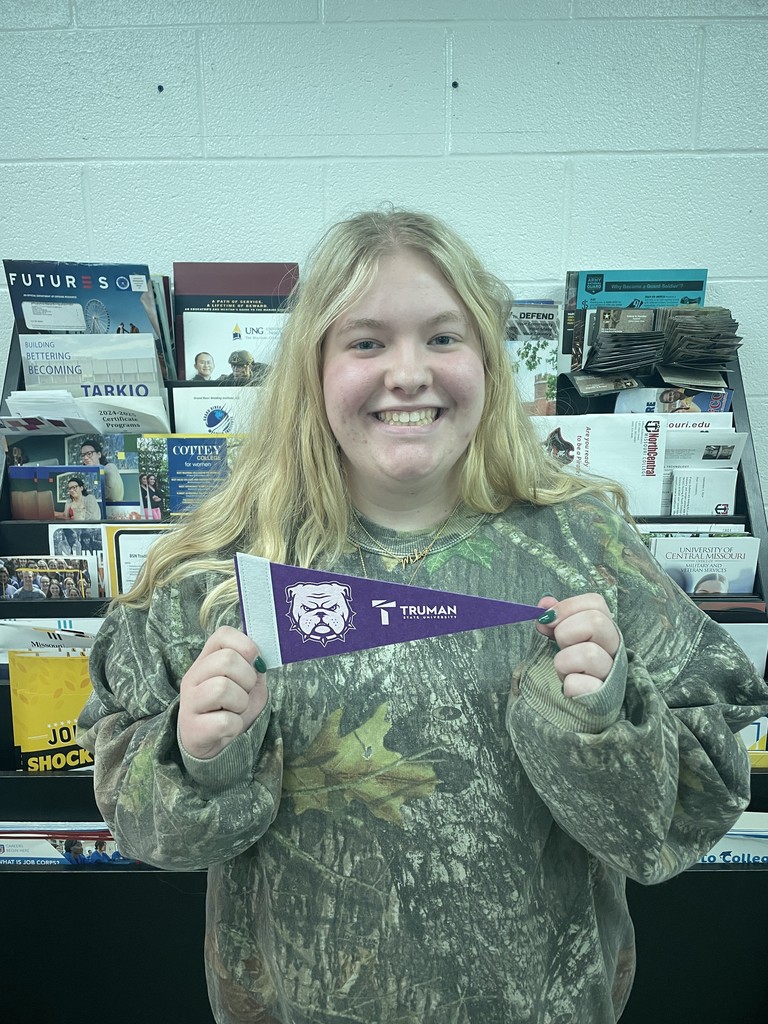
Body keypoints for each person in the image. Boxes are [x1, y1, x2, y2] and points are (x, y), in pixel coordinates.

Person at [77, 209, 768, 1024]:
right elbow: (141, 824)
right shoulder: (215, 572)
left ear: (487, 361)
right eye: (366, 343)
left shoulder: (588, 545)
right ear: (314, 369)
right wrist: (195, 756)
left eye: (443, 338)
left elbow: (692, 805)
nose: (408, 373)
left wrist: (611, 719)